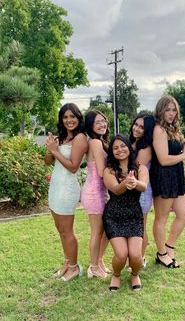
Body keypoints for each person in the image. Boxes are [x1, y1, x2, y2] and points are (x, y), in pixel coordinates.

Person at [150, 95, 185, 268]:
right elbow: (162, 159)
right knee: (161, 218)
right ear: (160, 111)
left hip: (176, 176)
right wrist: (184, 155)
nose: (171, 113)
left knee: (184, 214)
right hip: (164, 176)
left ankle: (168, 247)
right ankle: (161, 254)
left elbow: (177, 153)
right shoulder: (159, 130)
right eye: (167, 110)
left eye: (173, 109)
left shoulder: (172, 128)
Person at [44, 103, 88, 281]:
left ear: (78, 118)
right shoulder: (60, 138)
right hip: (55, 186)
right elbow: (48, 162)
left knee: (67, 230)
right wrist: (50, 149)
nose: (69, 120)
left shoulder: (80, 139)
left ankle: (74, 266)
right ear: (61, 120)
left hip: (67, 189)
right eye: (65, 117)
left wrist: (56, 151)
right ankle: (67, 262)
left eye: (72, 116)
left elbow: (73, 167)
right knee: (60, 229)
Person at [103, 135, 149, 291]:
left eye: (123, 146)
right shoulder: (109, 170)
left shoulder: (140, 168)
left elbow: (143, 186)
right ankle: (116, 275)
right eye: (115, 148)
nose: (120, 150)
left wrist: (135, 182)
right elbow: (116, 190)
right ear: (112, 152)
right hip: (114, 216)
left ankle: (135, 274)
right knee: (121, 255)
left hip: (134, 216)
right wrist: (125, 182)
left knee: (135, 256)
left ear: (129, 148)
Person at [80, 110, 110, 278]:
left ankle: (99, 260)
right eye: (97, 122)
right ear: (91, 125)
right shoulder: (95, 143)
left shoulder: (100, 142)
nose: (102, 124)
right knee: (97, 232)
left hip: (100, 191)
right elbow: (100, 171)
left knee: (106, 230)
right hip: (94, 192)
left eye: (103, 121)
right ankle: (93, 266)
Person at [129, 114, 156, 268]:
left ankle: (141, 257)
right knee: (134, 226)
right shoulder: (134, 143)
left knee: (140, 226)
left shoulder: (145, 148)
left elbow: (136, 169)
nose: (137, 129)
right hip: (134, 190)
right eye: (136, 124)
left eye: (141, 127)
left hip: (142, 192)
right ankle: (134, 257)